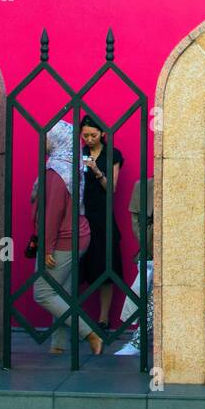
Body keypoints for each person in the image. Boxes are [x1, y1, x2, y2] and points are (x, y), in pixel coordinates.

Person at [31, 122, 101, 355]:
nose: (43, 142)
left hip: (63, 239)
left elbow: (53, 212)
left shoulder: (56, 172)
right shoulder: (73, 166)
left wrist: (48, 248)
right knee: (62, 292)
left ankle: (89, 332)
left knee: (43, 292)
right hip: (79, 235)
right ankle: (59, 345)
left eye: (47, 138)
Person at [78, 115, 125, 330]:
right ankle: (74, 316)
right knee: (79, 266)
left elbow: (111, 189)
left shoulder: (112, 155)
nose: (88, 139)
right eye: (85, 135)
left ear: (102, 134)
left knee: (106, 265)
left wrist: (96, 170)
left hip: (102, 217)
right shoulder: (78, 154)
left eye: (93, 135)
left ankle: (103, 318)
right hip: (80, 215)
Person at [116, 177, 153, 358]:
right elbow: (136, 221)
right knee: (151, 295)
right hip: (153, 252)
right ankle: (139, 340)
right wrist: (147, 244)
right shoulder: (143, 187)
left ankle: (139, 340)